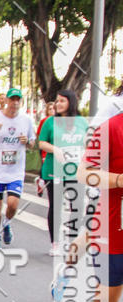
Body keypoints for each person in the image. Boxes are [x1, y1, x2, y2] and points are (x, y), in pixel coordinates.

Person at [76, 113, 123, 302]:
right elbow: (84, 172)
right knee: (107, 299)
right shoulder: (112, 128)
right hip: (112, 231)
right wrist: (119, 179)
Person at [0, 85, 36, 248]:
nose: (15, 103)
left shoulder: (26, 120)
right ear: (6, 101)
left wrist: (28, 142)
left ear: (21, 102)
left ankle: (6, 224)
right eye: (12, 99)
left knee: (12, 205)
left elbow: (32, 143)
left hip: (16, 172)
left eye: (18, 100)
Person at [38, 90, 87, 256]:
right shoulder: (50, 122)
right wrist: (55, 149)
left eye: (62, 101)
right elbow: (41, 143)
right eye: (57, 101)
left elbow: (89, 143)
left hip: (76, 172)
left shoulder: (81, 122)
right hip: (54, 172)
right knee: (56, 207)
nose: (58, 104)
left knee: (78, 207)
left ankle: (72, 240)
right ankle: (55, 243)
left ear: (71, 103)